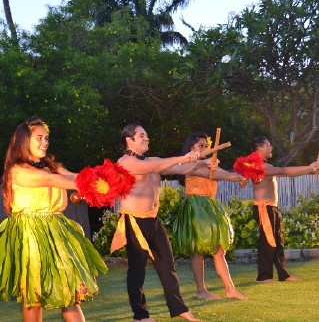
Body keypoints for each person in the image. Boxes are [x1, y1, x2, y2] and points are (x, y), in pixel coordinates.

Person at [0, 116, 108, 322]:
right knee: (33, 297)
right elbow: (54, 180)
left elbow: (71, 175)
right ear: (24, 141)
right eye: (39, 138)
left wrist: (101, 177)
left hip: (56, 231)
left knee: (69, 293)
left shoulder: (49, 165)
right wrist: (92, 183)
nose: (45, 142)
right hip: (29, 235)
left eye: (46, 138)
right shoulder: (18, 171)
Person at [110, 123, 208, 322]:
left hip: (154, 220)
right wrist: (184, 157)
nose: (147, 138)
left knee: (167, 265)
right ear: (129, 140)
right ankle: (140, 316)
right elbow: (152, 168)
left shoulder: (152, 159)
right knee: (137, 270)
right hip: (134, 221)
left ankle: (180, 308)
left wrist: (200, 163)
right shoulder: (125, 162)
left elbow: (180, 169)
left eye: (146, 134)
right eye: (141, 135)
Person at [173, 131, 247, 301]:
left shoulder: (208, 164)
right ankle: (202, 290)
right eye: (200, 146)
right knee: (199, 251)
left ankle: (229, 289)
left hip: (210, 208)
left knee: (218, 250)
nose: (205, 149)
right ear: (190, 148)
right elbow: (216, 175)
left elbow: (221, 171)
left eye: (206, 146)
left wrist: (241, 176)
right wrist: (235, 177)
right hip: (196, 209)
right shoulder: (190, 166)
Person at [251, 136, 319, 282]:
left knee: (278, 241)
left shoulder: (265, 165)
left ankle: (283, 274)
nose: (271, 148)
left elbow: (287, 173)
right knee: (267, 242)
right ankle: (264, 276)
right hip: (264, 208)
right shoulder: (259, 166)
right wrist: (309, 167)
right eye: (268, 145)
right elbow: (284, 171)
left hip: (272, 208)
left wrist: (310, 169)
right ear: (259, 148)